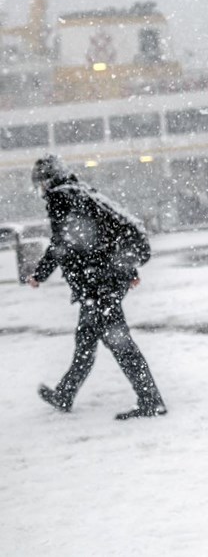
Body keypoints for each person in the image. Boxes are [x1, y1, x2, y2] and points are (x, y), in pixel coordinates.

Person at [27, 155, 167, 420]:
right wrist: (128, 269)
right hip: (102, 278)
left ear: (47, 180)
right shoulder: (79, 193)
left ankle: (151, 400)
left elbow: (65, 243)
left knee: (119, 342)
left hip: (99, 282)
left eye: (40, 183)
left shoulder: (62, 197)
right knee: (86, 340)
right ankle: (64, 394)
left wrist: (40, 274)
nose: (41, 190)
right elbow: (105, 235)